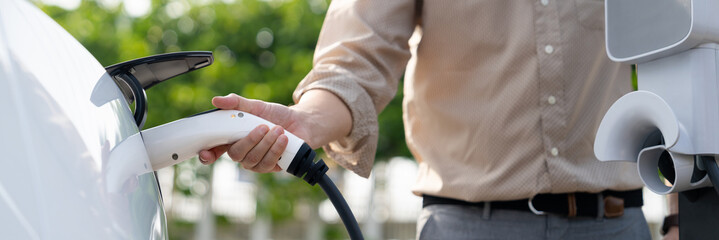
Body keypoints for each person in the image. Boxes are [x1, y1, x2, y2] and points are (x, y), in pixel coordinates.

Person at [199, 0, 660, 239]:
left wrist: (684, 220)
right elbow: (356, 59)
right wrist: (307, 122)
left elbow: (685, 52)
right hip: (471, 228)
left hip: (619, 224)